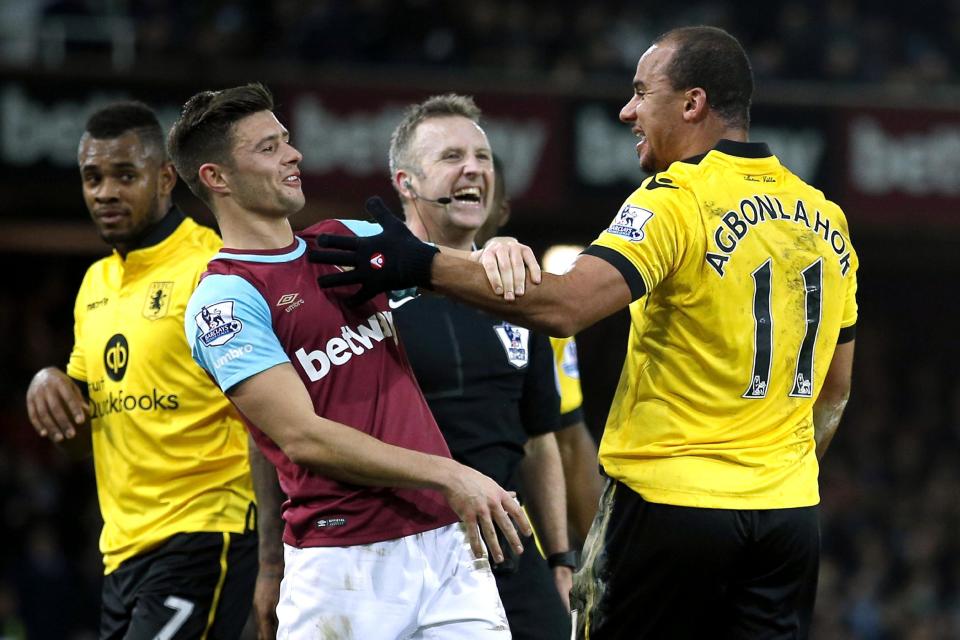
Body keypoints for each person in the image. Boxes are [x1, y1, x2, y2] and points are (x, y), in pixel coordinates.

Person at [311, 25, 859, 639]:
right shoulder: (824, 218)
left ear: (691, 104)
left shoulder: (675, 200)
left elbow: (565, 307)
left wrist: (418, 264)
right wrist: (776, 475)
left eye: (640, 92)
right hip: (787, 517)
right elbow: (834, 389)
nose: (627, 111)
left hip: (672, 508)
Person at [169, 82, 533, 639]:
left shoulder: (347, 240)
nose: (293, 155)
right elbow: (303, 438)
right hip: (343, 564)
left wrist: (496, 249)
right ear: (217, 178)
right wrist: (452, 474)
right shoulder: (225, 301)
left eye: (286, 141)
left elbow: (445, 255)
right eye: (268, 148)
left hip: (447, 548)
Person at [24, 101, 257, 639]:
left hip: (206, 529)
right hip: (121, 551)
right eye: (92, 177)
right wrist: (48, 389)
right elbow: (81, 438)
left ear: (165, 179)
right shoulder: (95, 285)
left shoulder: (213, 265)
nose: (105, 192)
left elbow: (270, 407)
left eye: (125, 175)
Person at [387, 94, 573, 639]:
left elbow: (542, 439)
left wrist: (560, 556)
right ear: (406, 183)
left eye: (483, 157)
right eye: (451, 157)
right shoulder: (367, 289)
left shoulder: (517, 290)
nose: (473, 168)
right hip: (402, 549)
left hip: (509, 550)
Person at [476, 175, 604, 547]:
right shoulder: (396, 299)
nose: (468, 178)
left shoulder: (539, 311)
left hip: (519, 542)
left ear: (503, 210)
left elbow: (568, 441)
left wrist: (594, 557)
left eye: (482, 164)